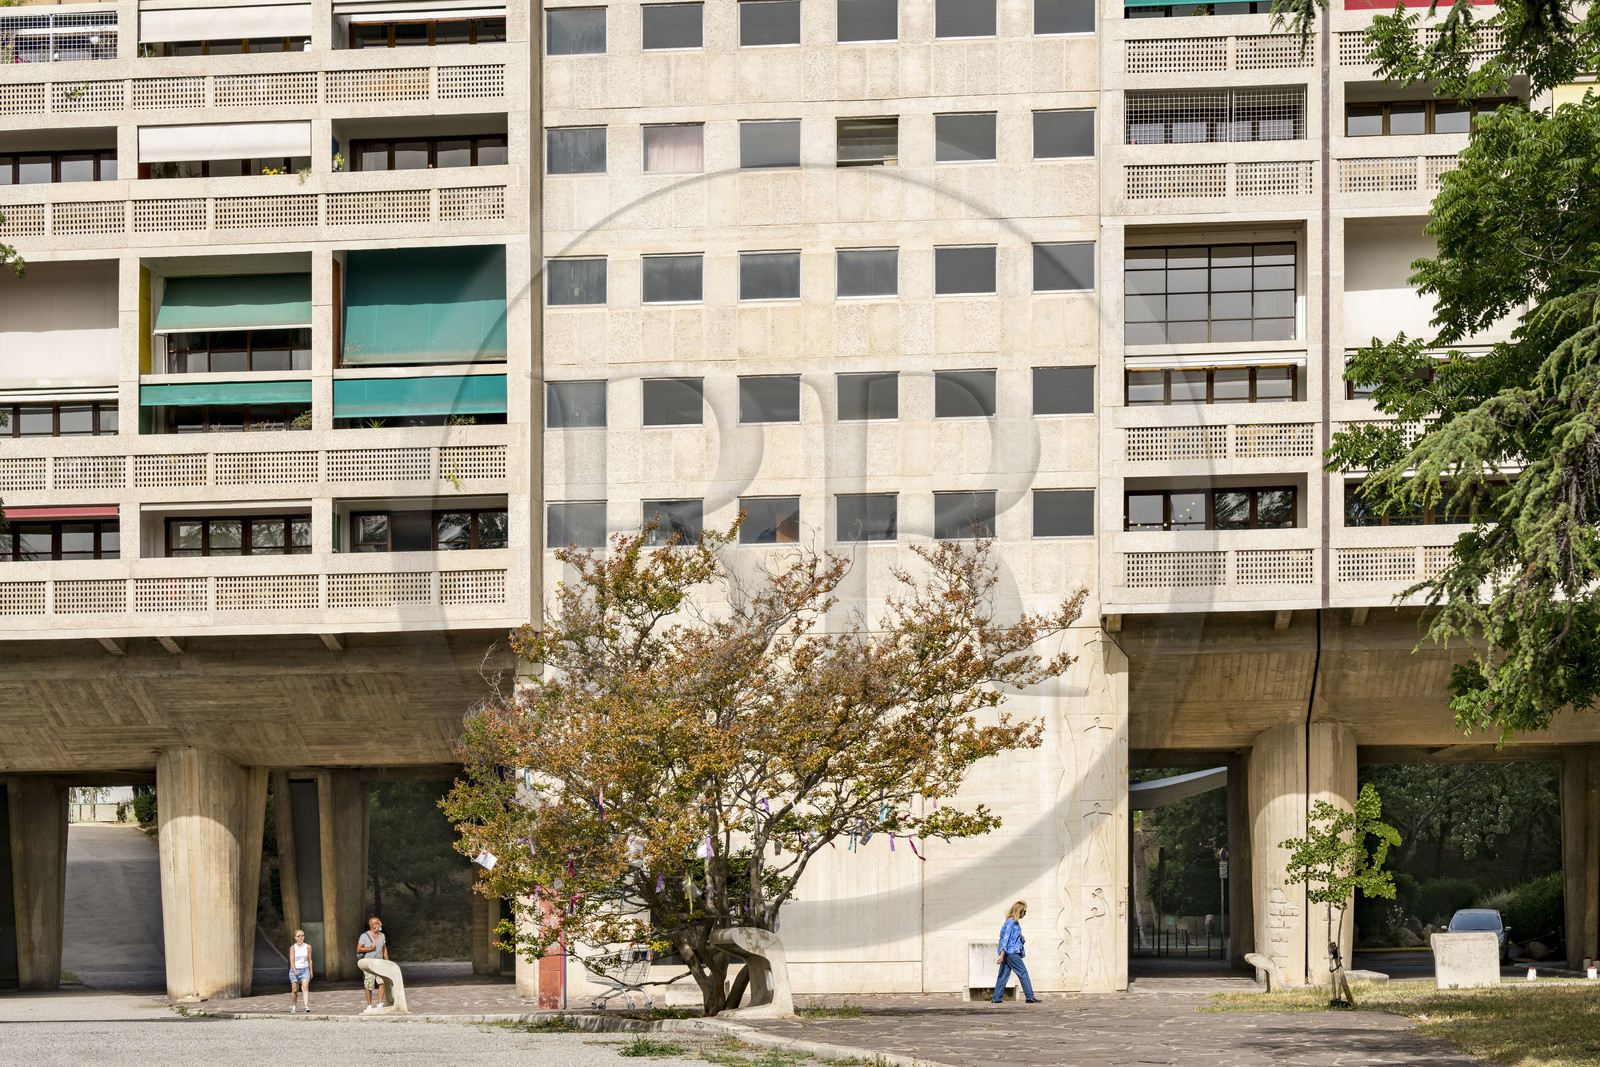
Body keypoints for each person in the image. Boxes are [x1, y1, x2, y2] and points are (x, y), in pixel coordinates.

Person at [992, 900, 1039, 1004]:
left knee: (1003, 976)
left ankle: (996, 998)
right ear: (1019, 911)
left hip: (1009, 953)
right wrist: (1002, 955)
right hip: (1011, 953)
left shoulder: (1013, 922)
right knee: (1023, 973)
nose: (1024, 914)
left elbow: (1010, 937)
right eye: (1024, 912)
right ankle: (1029, 997)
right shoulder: (1011, 922)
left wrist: (1021, 938)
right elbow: (1006, 939)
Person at [357, 916, 388, 1011]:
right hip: (368, 963)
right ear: (373, 925)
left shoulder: (382, 935)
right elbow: (359, 948)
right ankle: (369, 1004)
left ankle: (380, 1002)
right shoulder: (364, 936)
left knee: (382, 982)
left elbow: (384, 949)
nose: (381, 924)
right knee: (369, 984)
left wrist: (387, 961)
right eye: (379, 923)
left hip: (379, 962)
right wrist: (370, 948)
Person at [287, 929, 313, 1013]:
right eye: (299, 936)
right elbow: (291, 960)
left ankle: (306, 1006)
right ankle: (294, 1005)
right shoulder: (293, 947)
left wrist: (311, 971)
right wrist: (294, 970)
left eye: (302, 935)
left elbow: (309, 959)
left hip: (305, 969)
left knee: (305, 988)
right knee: (295, 990)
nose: (301, 937)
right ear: (295, 938)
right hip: (295, 969)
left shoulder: (308, 947)